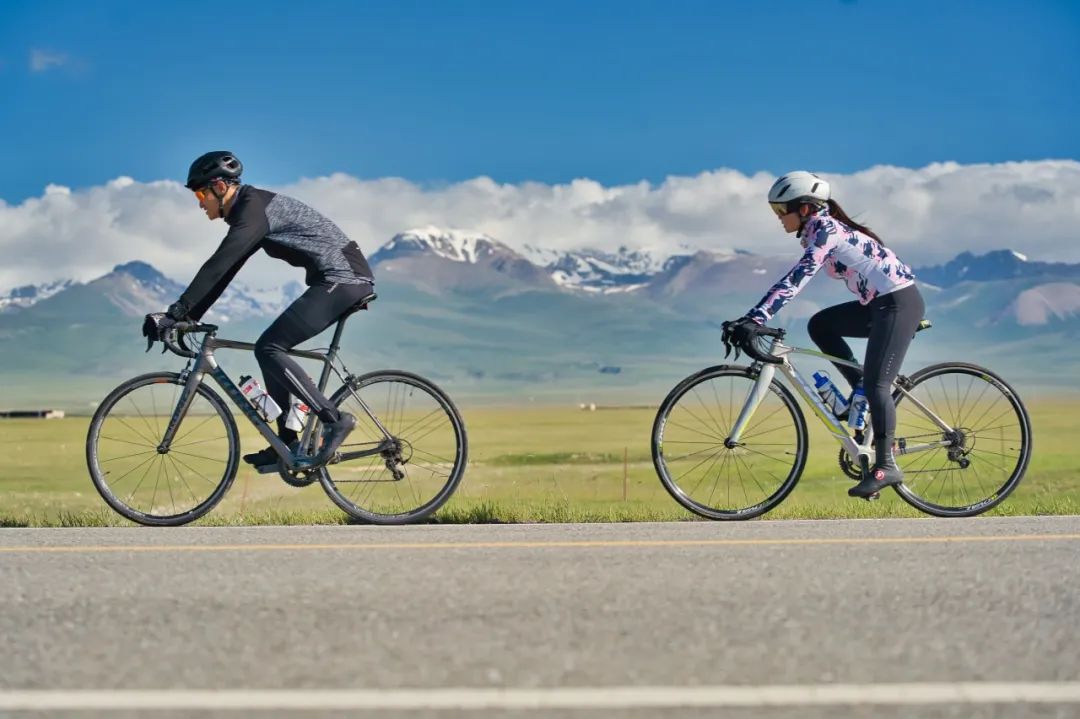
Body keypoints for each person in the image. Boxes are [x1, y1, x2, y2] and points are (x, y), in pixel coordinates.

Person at [144, 151, 375, 469]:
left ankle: (335, 420)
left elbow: (219, 263)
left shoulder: (254, 210)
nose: (199, 203)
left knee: (270, 347)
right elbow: (226, 272)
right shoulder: (251, 213)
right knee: (267, 349)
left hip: (344, 279)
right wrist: (186, 317)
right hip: (338, 279)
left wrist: (175, 312)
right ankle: (288, 443)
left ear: (221, 187)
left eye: (200, 193)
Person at [727, 171, 925, 498]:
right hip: (877, 304)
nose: (778, 218)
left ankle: (886, 466)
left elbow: (798, 278)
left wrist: (755, 317)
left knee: (878, 384)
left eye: (781, 210)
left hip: (898, 303)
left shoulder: (826, 229)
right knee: (820, 325)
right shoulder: (818, 231)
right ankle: (858, 393)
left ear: (804, 208)